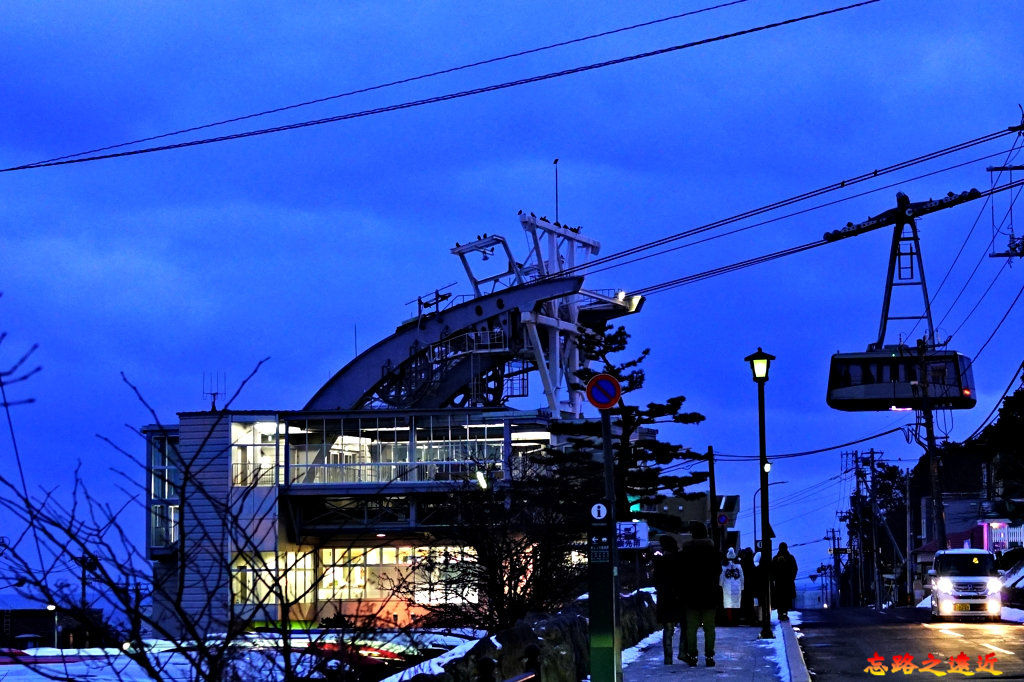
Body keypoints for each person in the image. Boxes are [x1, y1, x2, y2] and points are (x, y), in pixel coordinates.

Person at [679, 521, 722, 667]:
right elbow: (718, 571)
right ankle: (709, 656)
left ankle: (692, 655)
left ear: (693, 534)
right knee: (709, 629)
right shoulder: (713, 551)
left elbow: (681, 574)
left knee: (691, 629)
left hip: (691, 596)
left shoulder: (686, 551)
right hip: (709, 595)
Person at [652, 535, 683, 664]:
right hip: (679, 597)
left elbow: (655, 581)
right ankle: (683, 652)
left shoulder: (660, 562)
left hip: (665, 598)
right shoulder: (680, 560)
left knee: (668, 629)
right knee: (684, 627)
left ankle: (668, 657)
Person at [772, 542, 798, 621]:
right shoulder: (790, 557)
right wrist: (791, 578)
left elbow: (772, 570)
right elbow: (795, 569)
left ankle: (781, 613)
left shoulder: (775, 558)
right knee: (786, 599)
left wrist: (774, 578)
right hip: (787, 583)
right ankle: (784, 613)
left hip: (779, 582)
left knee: (780, 599)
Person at [720, 547, 744, 626]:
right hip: (737, 587)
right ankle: (736, 620)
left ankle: (730, 620)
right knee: (736, 604)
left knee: (728, 605)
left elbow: (722, 577)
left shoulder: (724, 566)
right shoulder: (738, 566)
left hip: (727, 587)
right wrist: (742, 586)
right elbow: (742, 577)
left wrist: (720, 584)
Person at [739, 547, 757, 624]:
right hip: (750, 585)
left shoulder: (742, 563)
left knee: (744, 601)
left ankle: (744, 617)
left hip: (743, 585)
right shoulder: (751, 563)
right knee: (750, 602)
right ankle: (750, 618)